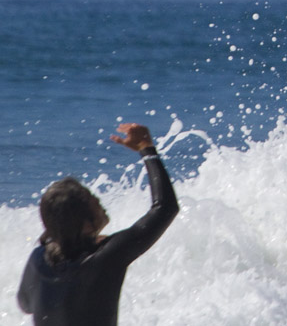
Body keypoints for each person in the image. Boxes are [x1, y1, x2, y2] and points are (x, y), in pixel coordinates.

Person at [17, 122, 179, 325]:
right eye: (92, 200)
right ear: (84, 224)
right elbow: (165, 207)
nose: (99, 201)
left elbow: (25, 304)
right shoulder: (106, 257)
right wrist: (146, 148)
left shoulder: (39, 258)